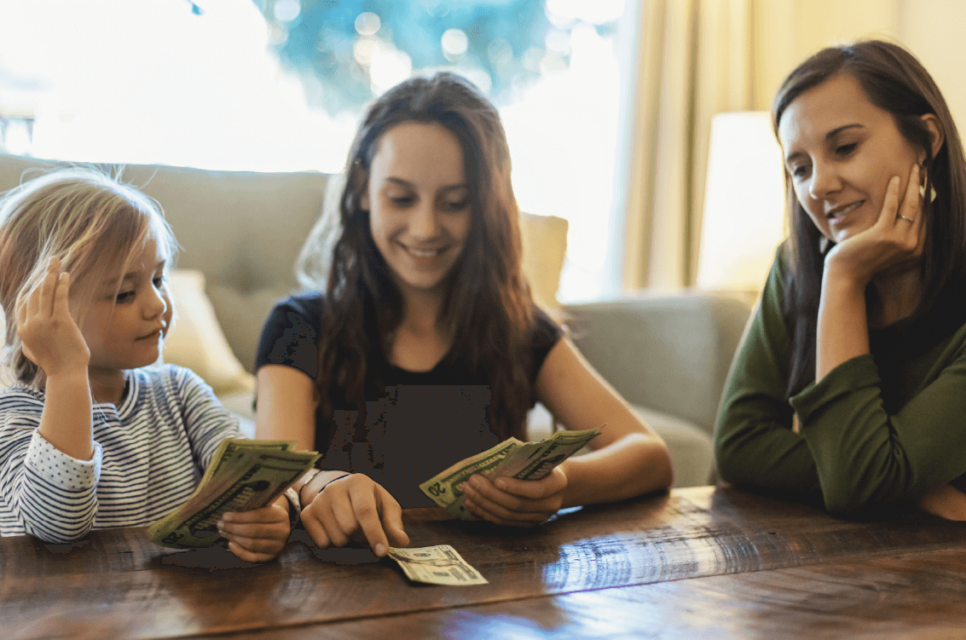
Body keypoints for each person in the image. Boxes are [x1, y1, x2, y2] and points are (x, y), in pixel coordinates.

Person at [255, 72, 673, 557]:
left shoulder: (519, 330)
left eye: (455, 202)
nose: (426, 227)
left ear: (486, 208)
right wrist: (317, 486)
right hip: (340, 596)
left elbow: (650, 455)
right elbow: (276, 483)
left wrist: (564, 483)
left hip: (489, 602)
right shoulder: (298, 327)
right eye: (401, 198)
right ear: (364, 190)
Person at [714, 40, 966, 531]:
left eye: (844, 148)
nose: (818, 186)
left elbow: (858, 484)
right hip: (863, 576)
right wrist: (911, 489)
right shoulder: (799, 268)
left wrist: (843, 281)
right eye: (800, 167)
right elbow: (738, 446)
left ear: (926, 140)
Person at [0, 169, 292, 561]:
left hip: (178, 606)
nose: (157, 305)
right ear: (40, 312)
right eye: (123, 294)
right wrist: (66, 373)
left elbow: (248, 478)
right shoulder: (16, 413)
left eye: (158, 278)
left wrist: (269, 515)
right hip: (70, 613)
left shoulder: (181, 392)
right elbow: (57, 528)